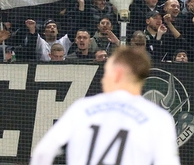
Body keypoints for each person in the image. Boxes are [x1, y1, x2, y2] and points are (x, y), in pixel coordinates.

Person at [30, 45, 181, 165]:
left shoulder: (81, 108)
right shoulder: (159, 118)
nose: (102, 80)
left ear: (118, 74)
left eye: (107, 72)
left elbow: (42, 152)